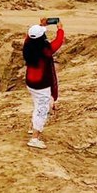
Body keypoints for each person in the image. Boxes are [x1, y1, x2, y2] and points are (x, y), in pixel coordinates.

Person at [23, 18, 65, 149]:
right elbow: (58, 42)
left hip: (30, 82)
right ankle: (34, 139)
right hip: (41, 84)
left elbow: (30, 36)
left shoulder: (27, 45)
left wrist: (41, 25)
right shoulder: (45, 50)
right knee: (42, 110)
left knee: (37, 104)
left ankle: (32, 127)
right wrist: (60, 29)